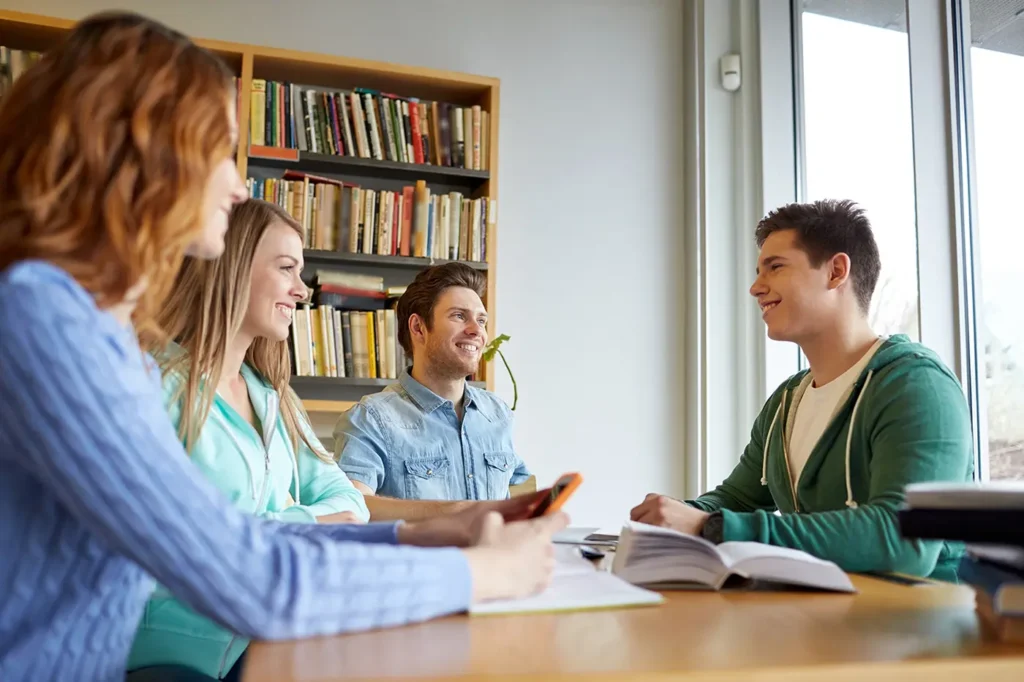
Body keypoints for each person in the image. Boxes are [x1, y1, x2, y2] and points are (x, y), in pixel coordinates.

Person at [0, 13, 565, 682]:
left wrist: (417, 534)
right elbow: (255, 580)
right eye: (221, 152)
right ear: (143, 152)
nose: (239, 187)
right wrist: (482, 573)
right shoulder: (40, 317)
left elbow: (238, 537)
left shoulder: (103, 338)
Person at [630, 199, 973, 581]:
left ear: (836, 271)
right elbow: (737, 499)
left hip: (924, 629)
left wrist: (712, 527)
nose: (755, 288)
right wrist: (672, 515)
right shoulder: (787, 401)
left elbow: (905, 542)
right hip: (829, 621)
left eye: (775, 268)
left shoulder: (915, 385)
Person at [127, 199, 372, 679]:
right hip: (162, 656)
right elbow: (187, 542)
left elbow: (348, 501)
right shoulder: (154, 383)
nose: (302, 291)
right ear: (234, 267)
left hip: (261, 647)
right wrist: (307, 525)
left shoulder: (272, 398)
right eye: (287, 268)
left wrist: (285, 524)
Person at [334, 262, 532, 520]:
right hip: (420, 561)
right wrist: (451, 511)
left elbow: (516, 494)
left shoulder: (497, 413)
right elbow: (350, 508)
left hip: (495, 559)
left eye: (481, 320)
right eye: (459, 316)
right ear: (418, 328)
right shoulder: (371, 419)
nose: (477, 331)